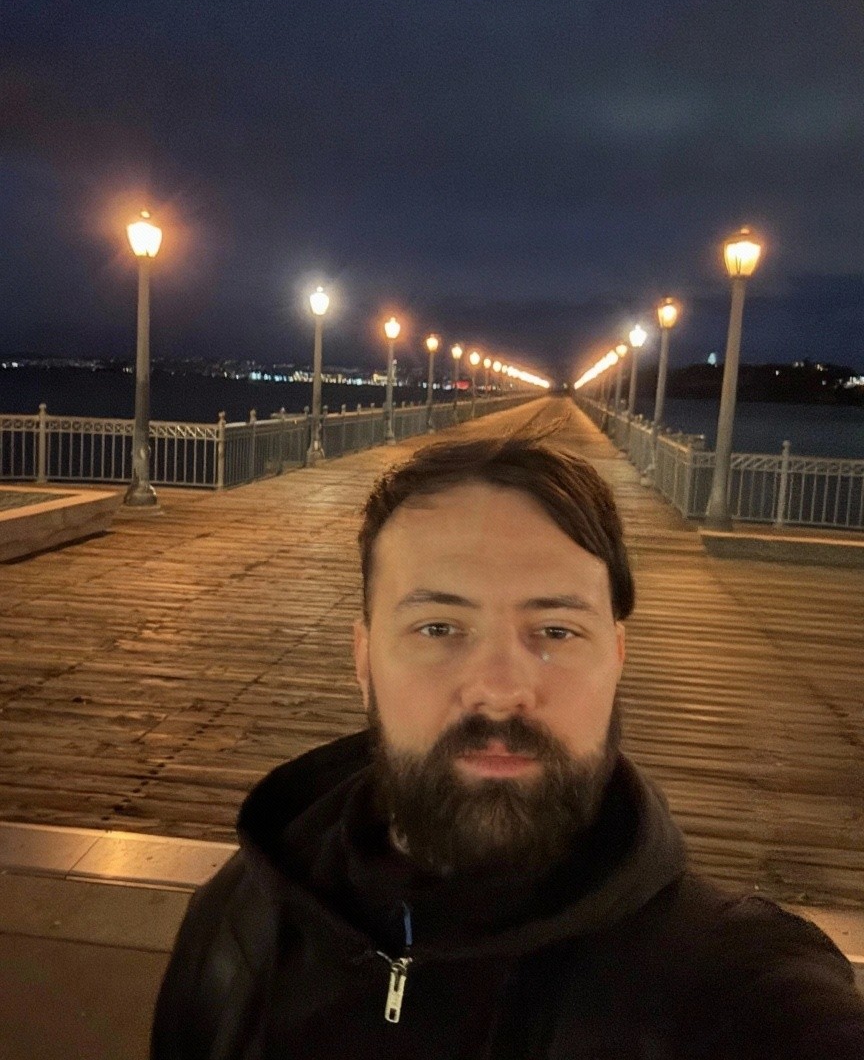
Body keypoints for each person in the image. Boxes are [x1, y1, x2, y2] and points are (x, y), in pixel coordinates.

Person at [151, 434, 864, 1059]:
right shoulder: (238, 923)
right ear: (363, 660)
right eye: (439, 628)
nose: (499, 691)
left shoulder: (736, 986)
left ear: (617, 657)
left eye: (555, 631)